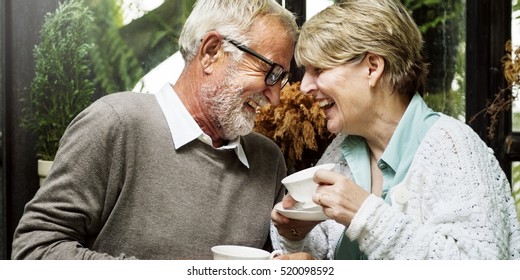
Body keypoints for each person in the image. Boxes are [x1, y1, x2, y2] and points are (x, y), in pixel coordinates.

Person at [12, 0, 298, 259]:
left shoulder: (268, 160)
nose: (275, 97)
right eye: (269, 72)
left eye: (281, 78)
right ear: (211, 52)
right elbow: (35, 249)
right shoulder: (115, 123)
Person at [271, 0, 520, 260]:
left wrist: (365, 215)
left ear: (373, 68)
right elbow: (325, 252)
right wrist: (296, 235)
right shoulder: (342, 150)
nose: (305, 86)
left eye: (319, 70)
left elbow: (480, 266)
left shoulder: (453, 147)